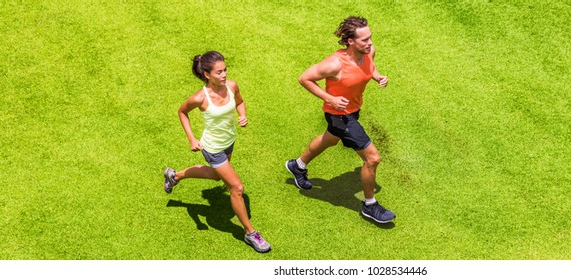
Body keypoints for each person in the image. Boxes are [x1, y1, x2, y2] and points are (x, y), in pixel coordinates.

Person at [285, 16, 396, 223]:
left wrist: (378, 76)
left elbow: (369, 66)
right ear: (350, 41)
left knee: (329, 139)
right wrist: (330, 98)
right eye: (364, 40)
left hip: (353, 110)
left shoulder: (368, 52)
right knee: (372, 159)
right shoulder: (334, 64)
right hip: (339, 115)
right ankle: (369, 205)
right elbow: (304, 78)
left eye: (370, 38)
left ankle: (297, 166)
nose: (369, 43)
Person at [163, 51, 271, 253]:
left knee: (214, 176)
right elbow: (182, 112)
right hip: (212, 147)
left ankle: (174, 175)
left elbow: (239, 101)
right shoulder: (200, 98)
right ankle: (250, 233)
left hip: (229, 141)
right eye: (219, 72)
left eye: (225, 70)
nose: (224, 75)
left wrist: (243, 115)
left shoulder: (232, 86)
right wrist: (192, 139)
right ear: (207, 74)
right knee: (236, 187)